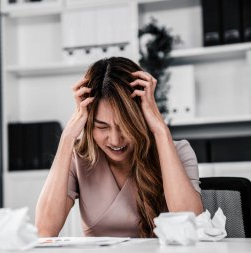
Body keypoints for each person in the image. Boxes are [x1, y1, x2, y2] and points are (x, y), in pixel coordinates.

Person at [35, 57, 203, 238]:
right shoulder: (79, 158)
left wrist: (161, 132)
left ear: (141, 118)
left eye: (125, 125)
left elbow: (192, 225)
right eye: (102, 126)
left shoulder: (179, 152)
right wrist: (67, 138)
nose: (115, 140)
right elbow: (45, 230)